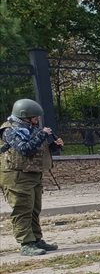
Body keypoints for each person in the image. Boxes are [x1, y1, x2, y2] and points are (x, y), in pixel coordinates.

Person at [1, 99, 61, 256]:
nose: (37, 120)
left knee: (34, 209)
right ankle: (26, 243)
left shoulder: (30, 129)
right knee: (22, 210)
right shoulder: (10, 130)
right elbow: (24, 149)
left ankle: (36, 239)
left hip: (33, 174)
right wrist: (42, 135)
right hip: (17, 176)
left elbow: (37, 151)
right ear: (24, 116)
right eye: (34, 117)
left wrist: (54, 146)